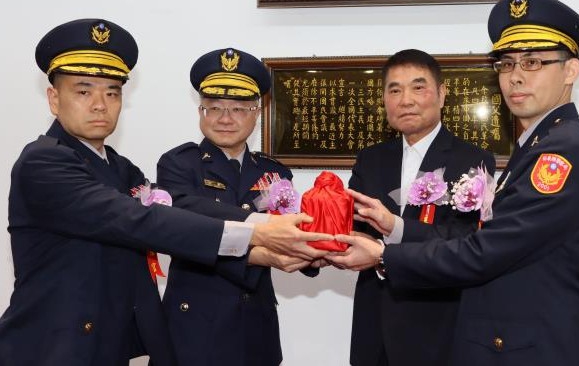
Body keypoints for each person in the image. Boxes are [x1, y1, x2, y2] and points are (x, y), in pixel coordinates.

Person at [0, 19, 331, 366]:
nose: (100, 104)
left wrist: (271, 251)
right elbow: (139, 220)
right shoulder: (44, 161)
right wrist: (258, 229)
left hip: (107, 345)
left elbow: (176, 216)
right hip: (49, 347)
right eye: (84, 91)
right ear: (54, 99)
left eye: (112, 92)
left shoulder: (120, 167)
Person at [330, 0, 579, 366]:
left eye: (533, 62)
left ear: (570, 71)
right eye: (506, 64)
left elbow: (485, 250)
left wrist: (384, 254)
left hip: (545, 348)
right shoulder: (537, 146)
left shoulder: (561, 153)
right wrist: (392, 227)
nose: (515, 76)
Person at [156, 48, 318, 366]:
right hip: (194, 327)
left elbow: (291, 230)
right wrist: (262, 227)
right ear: (201, 111)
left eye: (239, 109)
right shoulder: (179, 164)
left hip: (255, 328)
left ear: (257, 113)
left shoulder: (273, 172)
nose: (226, 119)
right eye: (215, 107)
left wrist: (318, 250)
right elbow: (186, 220)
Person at [346, 49, 495, 366]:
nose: (406, 100)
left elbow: (468, 240)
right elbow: (352, 231)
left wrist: (395, 228)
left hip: (438, 327)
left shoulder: (473, 161)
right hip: (374, 327)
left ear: (442, 94)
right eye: (394, 90)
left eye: (418, 87)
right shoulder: (370, 159)